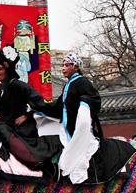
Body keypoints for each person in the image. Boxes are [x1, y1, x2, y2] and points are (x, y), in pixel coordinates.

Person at [0, 50, 59, 169]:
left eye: (0, 69)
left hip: (21, 127)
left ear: (7, 71)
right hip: (5, 124)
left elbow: (38, 102)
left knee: (1, 128)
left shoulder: (19, 85)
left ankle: (36, 161)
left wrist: (27, 115)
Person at [36, 52, 102, 184]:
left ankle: (90, 179)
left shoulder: (82, 82)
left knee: (83, 153)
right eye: (63, 65)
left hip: (77, 127)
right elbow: (58, 107)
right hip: (66, 128)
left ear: (75, 67)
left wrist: (84, 103)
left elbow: (95, 99)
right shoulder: (67, 85)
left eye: (67, 65)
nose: (63, 68)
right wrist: (38, 106)